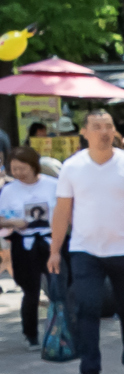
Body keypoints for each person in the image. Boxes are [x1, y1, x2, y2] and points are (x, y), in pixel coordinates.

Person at [47, 108, 124, 374]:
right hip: (85, 249)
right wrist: (55, 249)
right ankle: (90, 372)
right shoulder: (72, 167)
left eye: (108, 126)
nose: (104, 132)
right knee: (87, 309)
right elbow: (62, 210)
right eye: (96, 126)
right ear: (84, 132)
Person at [2, 146, 51, 344]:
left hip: (51, 241)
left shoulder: (53, 185)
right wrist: (14, 223)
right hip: (24, 243)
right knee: (30, 291)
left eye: (22, 168)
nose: (19, 173)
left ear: (33, 165)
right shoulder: (8, 190)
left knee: (59, 289)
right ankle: (31, 334)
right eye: (14, 169)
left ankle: (61, 330)